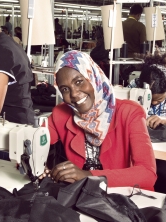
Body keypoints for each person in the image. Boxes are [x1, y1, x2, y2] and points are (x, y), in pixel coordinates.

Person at [42, 50, 157, 189]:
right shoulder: (60, 114)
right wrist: (34, 164)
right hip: (81, 199)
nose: (74, 94)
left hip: (121, 197)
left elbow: (147, 173)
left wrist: (87, 175)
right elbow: (34, 142)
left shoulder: (130, 113)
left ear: (93, 77)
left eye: (79, 82)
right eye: (65, 89)